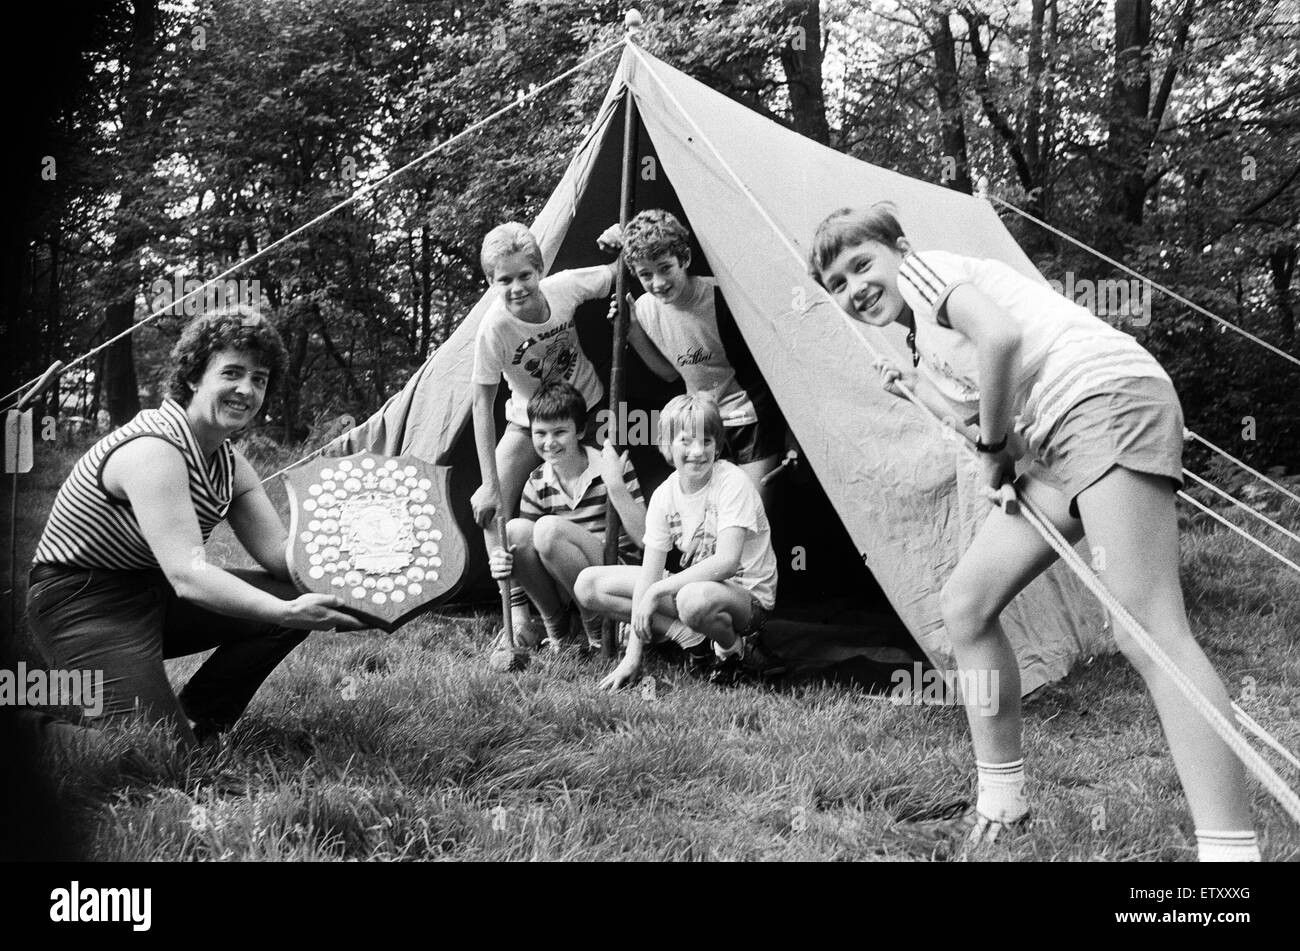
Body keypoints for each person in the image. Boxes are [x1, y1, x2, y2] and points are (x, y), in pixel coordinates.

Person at [807, 204, 1259, 861]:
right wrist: (921, 394)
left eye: (861, 264)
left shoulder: (932, 273)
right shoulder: (926, 346)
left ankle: (1230, 859)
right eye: (836, 284)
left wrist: (993, 446)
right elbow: (990, 429)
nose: (854, 287)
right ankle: (1002, 801)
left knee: (1147, 630)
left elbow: (1002, 340)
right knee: (966, 603)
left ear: (901, 249)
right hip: (1055, 446)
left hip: (1106, 401)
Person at [27, 306, 364, 748]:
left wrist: (359, 578)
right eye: (232, 373)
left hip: (154, 591)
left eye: (259, 379)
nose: (246, 389)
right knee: (149, 754)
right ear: (193, 378)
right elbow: (189, 575)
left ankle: (199, 724)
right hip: (83, 601)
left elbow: (283, 557)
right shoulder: (153, 449)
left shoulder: (229, 463)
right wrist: (283, 611)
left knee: (291, 597)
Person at [469, 221, 622, 646]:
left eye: (525, 275)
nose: (517, 287)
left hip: (585, 406)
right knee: (489, 507)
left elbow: (619, 270)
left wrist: (621, 237)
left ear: (540, 270)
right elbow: (481, 402)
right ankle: (524, 615)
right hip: (527, 420)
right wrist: (488, 484)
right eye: (504, 280)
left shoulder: (564, 288)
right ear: (491, 282)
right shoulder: (493, 327)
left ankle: (604, 602)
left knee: (603, 487)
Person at [575, 393, 779, 690]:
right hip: (694, 588)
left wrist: (658, 590)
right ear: (667, 446)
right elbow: (649, 574)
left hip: (747, 599)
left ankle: (733, 649)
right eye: (686, 441)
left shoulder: (732, 481)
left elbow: (726, 562)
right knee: (588, 585)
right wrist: (633, 657)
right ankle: (691, 641)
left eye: (707, 441)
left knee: (690, 599)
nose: (697, 451)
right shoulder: (664, 495)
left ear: (717, 446)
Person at [616, 210, 786, 503]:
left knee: (748, 514)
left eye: (665, 268)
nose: (657, 282)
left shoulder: (722, 297)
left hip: (750, 418)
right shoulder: (644, 309)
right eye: (645, 275)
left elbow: (774, 363)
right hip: (701, 425)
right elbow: (670, 373)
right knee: (707, 518)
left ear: (684, 260)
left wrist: (790, 434)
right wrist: (632, 333)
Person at [486, 382, 646, 662]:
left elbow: (644, 537)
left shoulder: (610, 466)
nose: (549, 443)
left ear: (580, 431)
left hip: (613, 573)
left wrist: (616, 487)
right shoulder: (537, 481)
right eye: (540, 433)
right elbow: (526, 550)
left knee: (548, 529)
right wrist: (504, 563)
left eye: (560, 432)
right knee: (514, 532)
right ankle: (559, 633)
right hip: (566, 581)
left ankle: (598, 632)